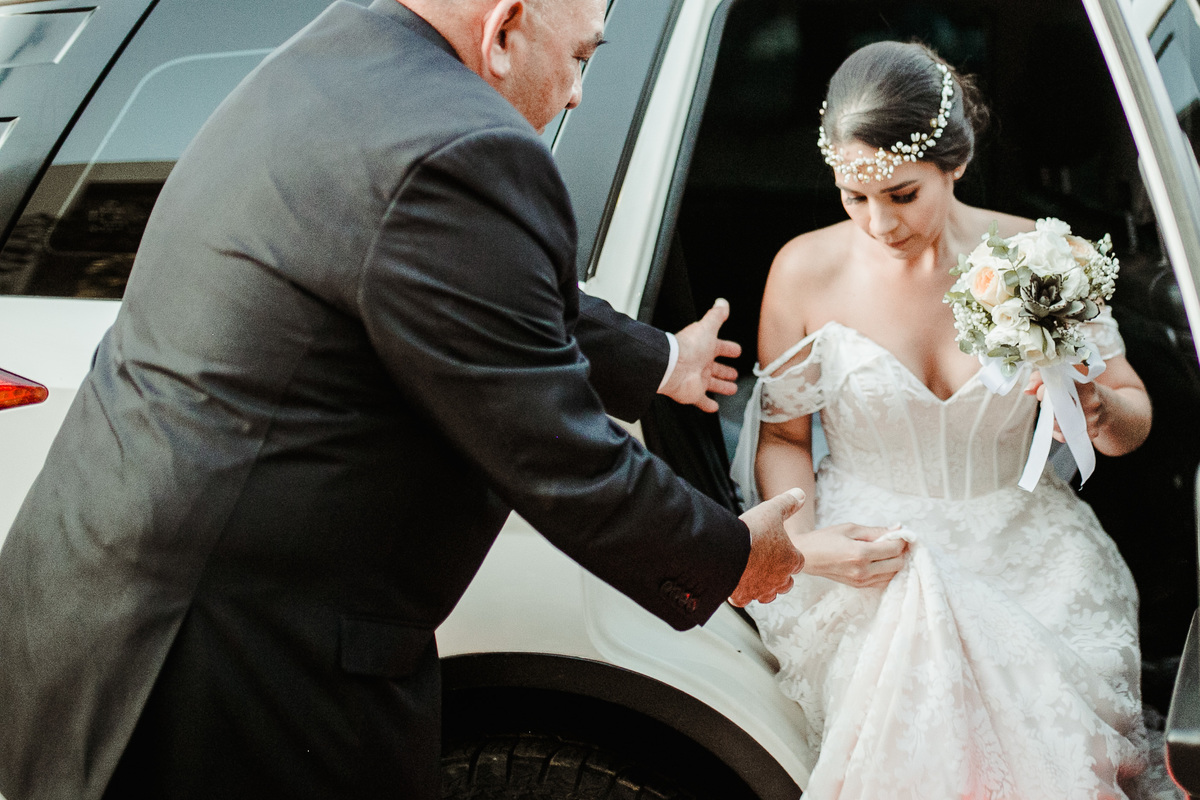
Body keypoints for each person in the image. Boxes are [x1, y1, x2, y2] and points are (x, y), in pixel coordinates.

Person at [0, 0, 810, 798]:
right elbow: (556, 455)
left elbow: (466, 281)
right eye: (582, 59)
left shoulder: (338, 57)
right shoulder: (468, 148)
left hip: (89, 622)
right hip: (231, 674)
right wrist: (733, 558)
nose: (574, 96)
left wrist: (663, 358)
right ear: (503, 31)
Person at [731, 40, 1163, 799]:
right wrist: (805, 544)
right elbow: (783, 440)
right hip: (866, 556)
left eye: (901, 195)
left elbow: (1133, 421)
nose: (877, 223)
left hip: (1030, 554)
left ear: (954, 166)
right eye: (852, 196)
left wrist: (1094, 407)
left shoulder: (1037, 258)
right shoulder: (803, 270)